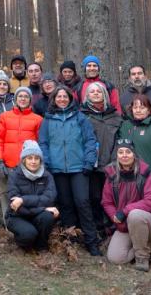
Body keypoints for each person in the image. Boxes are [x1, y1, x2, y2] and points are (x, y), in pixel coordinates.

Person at [38, 86, 101, 256]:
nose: (62, 99)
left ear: (71, 98)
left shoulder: (80, 118)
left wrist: (88, 162)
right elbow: (43, 143)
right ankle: (70, 239)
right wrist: (47, 162)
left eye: (65, 96)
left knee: (83, 203)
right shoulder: (48, 120)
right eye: (58, 96)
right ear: (54, 99)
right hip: (57, 169)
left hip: (79, 168)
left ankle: (91, 241)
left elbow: (90, 140)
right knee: (65, 205)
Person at [102, 139, 151, 270]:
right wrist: (115, 216)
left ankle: (142, 257)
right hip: (124, 223)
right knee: (116, 258)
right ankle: (145, 244)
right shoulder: (112, 174)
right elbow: (106, 201)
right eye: (121, 152)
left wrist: (124, 211)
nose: (124, 155)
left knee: (135, 215)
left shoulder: (147, 173)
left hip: (148, 222)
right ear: (116, 155)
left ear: (134, 154)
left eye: (128, 152)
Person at [0, 87, 43, 222]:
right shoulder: (4, 116)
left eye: (26, 96)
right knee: (6, 194)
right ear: (15, 99)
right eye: (20, 96)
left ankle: (24, 224)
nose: (23, 99)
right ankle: (9, 224)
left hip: (28, 166)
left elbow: (41, 143)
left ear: (30, 100)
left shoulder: (37, 119)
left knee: (25, 195)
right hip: (7, 164)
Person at [81, 81, 124, 237]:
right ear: (87, 95)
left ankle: (113, 227)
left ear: (105, 94)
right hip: (92, 165)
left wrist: (115, 161)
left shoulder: (115, 116)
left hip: (112, 164)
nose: (96, 94)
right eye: (92, 92)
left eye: (99, 91)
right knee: (95, 197)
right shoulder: (82, 115)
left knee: (112, 196)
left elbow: (121, 140)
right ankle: (98, 227)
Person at [6, 140, 59, 253]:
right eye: (30, 158)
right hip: (16, 216)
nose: (33, 162)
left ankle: (41, 246)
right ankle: (24, 244)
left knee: (48, 216)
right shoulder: (14, 175)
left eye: (36, 158)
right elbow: (17, 207)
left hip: (37, 215)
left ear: (41, 160)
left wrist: (23, 200)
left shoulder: (47, 176)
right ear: (24, 160)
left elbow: (49, 199)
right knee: (29, 234)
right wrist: (43, 208)